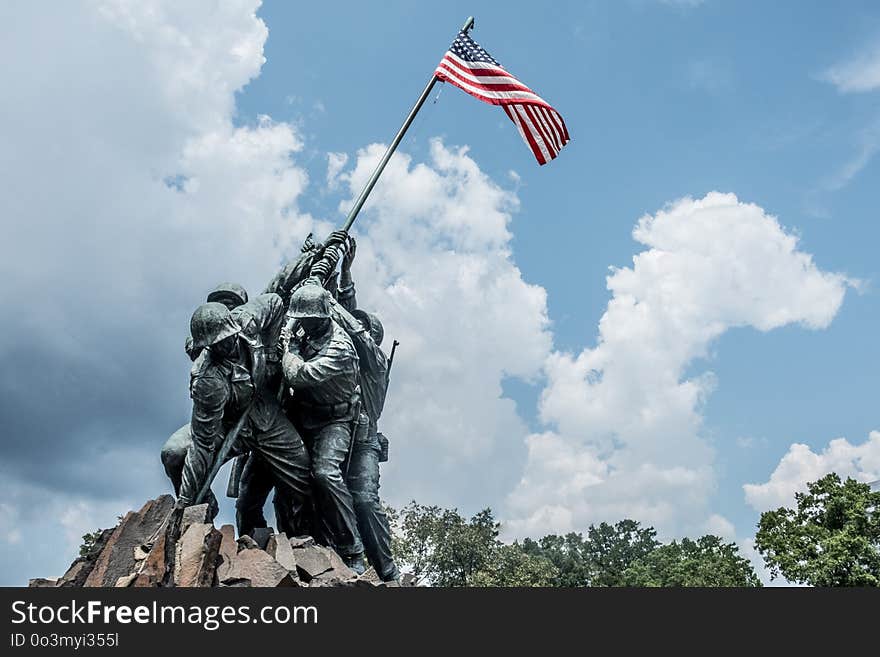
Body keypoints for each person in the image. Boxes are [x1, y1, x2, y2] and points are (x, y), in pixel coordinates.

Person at [176, 294, 313, 538]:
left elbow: (274, 302)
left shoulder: (248, 321)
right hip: (229, 426)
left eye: (226, 338)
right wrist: (186, 501)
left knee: (303, 472)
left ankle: (305, 539)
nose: (224, 346)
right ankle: (201, 509)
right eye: (216, 344)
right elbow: (202, 444)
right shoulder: (207, 380)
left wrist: (272, 350)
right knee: (175, 454)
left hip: (266, 415)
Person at [282, 283, 366, 573]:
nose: (302, 324)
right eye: (301, 319)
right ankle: (295, 538)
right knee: (286, 473)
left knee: (325, 473)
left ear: (321, 318)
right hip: (304, 415)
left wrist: (289, 347)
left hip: (335, 420)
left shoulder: (339, 348)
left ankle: (352, 548)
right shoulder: (310, 326)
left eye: (308, 320)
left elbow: (298, 375)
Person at [332, 236, 400, 581]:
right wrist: (343, 271)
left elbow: (353, 325)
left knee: (364, 501)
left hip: (364, 441)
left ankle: (386, 570)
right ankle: (345, 555)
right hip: (337, 432)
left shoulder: (374, 361)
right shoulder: (339, 358)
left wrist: (332, 302)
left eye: (359, 327)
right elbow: (349, 315)